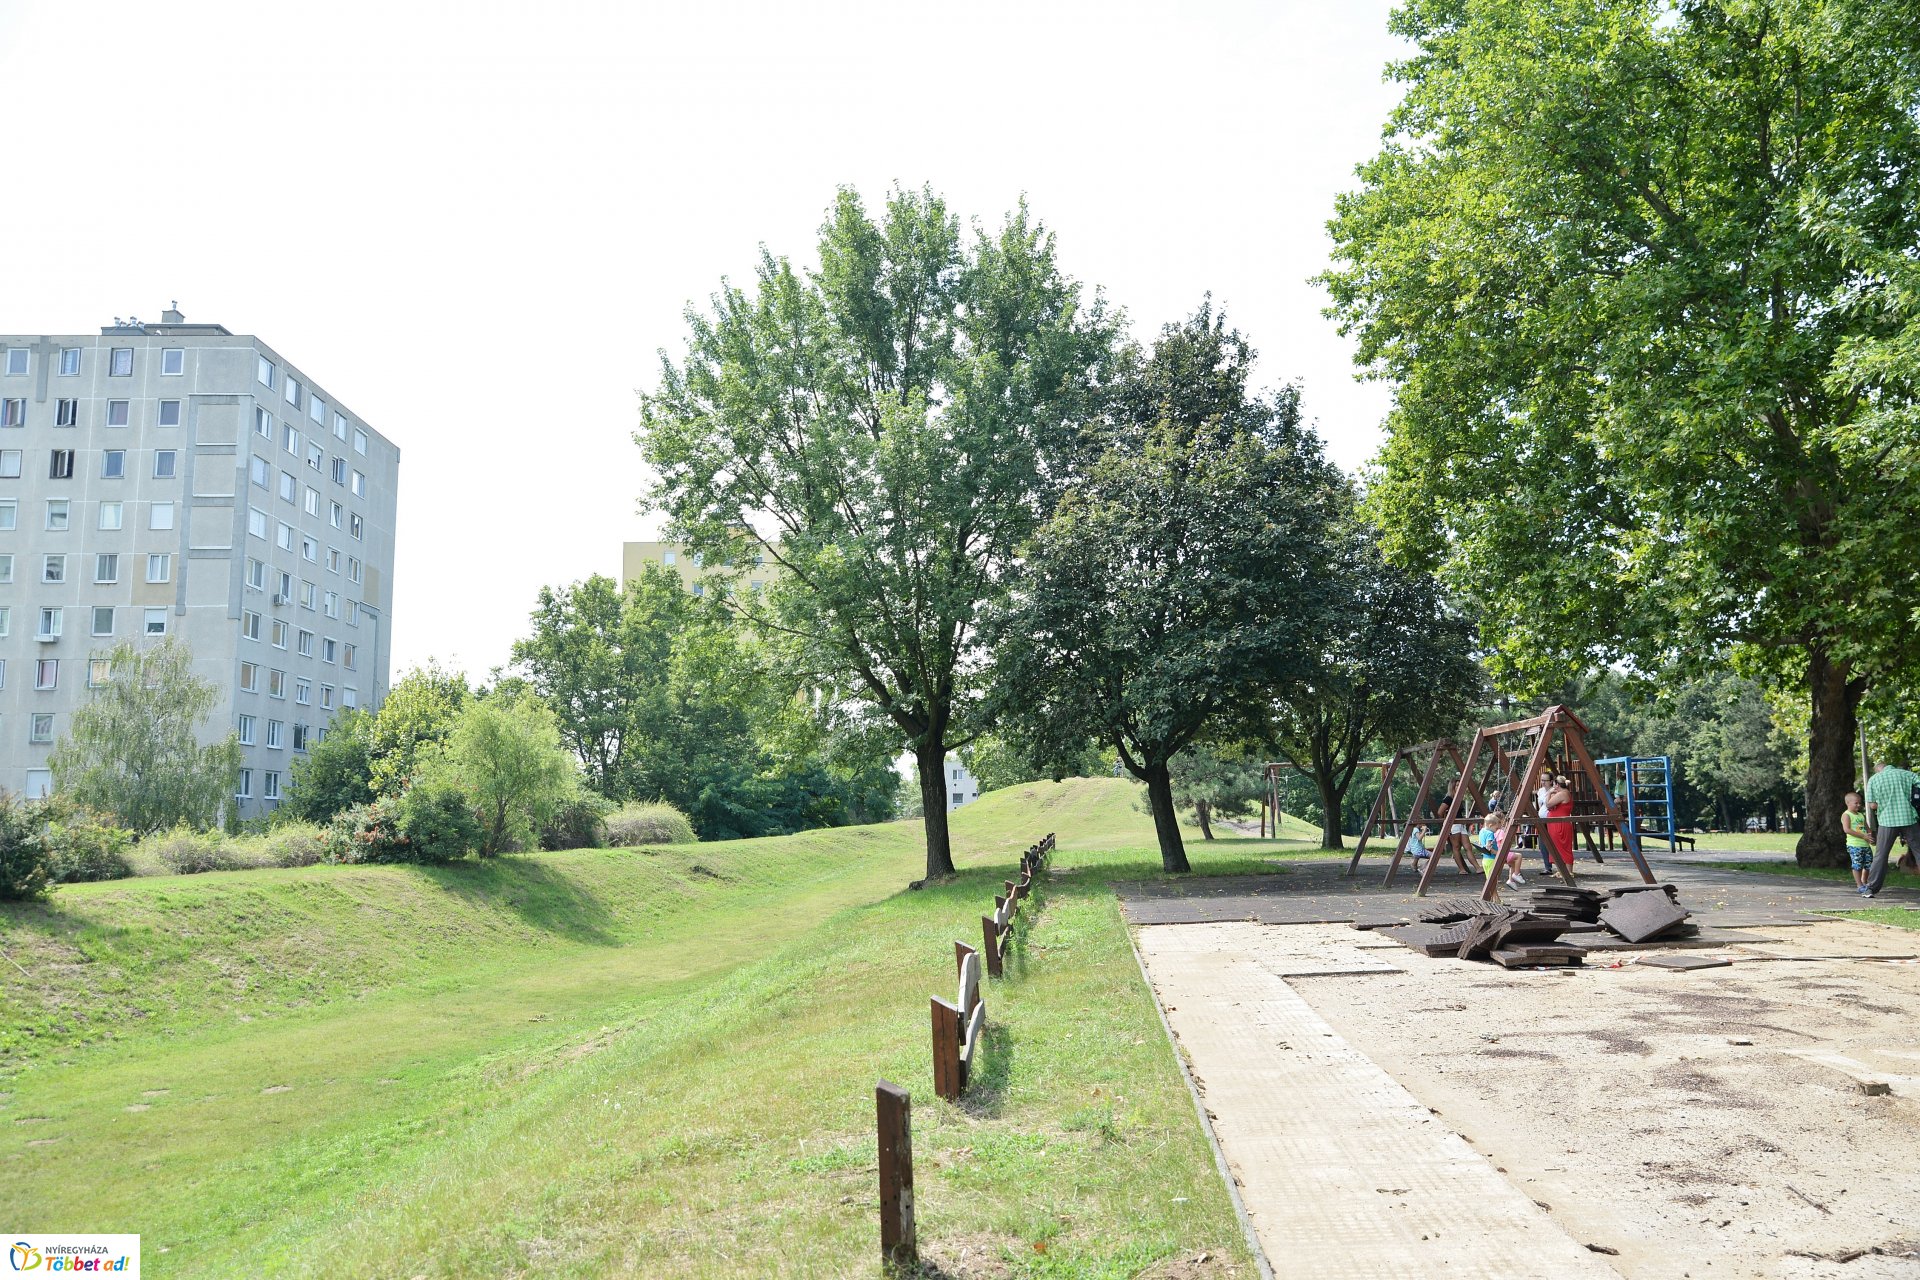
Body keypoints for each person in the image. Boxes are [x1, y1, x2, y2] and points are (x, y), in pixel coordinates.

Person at [1864, 760, 1920, 898]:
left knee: (1881, 855)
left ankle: (1871, 888)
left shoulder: (1874, 779)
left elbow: (1872, 805)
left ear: (1878, 770)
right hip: (1908, 817)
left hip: (1887, 820)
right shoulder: (1907, 774)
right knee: (1918, 851)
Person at [1476, 810, 1525, 889]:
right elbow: (1502, 843)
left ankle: (1511, 881)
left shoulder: (1485, 830)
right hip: (1501, 853)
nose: (1505, 822)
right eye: (1503, 820)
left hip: (1494, 855)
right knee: (1518, 856)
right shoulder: (1499, 831)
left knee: (1512, 864)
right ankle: (1516, 874)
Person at [1542, 772, 1576, 874]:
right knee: (1557, 847)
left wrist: (1549, 793)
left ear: (1557, 784)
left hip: (1559, 825)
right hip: (1556, 823)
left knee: (1563, 848)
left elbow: (1548, 804)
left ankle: (1568, 871)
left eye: (1554, 785)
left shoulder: (1562, 793)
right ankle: (1562, 871)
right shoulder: (1562, 793)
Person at [1842, 791, 1874, 895]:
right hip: (1855, 845)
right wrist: (1862, 836)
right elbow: (1847, 829)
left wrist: (1869, 835)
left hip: (1865, 844)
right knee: (1857, 865)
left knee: (1869, 864)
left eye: (1860, 803)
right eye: (1856, 803)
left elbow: (1867, 827)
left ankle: (1864, 882)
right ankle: (1859, 885)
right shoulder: (1846, 815)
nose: (1859, 805)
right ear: (1848, 803)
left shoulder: (1861, 815)